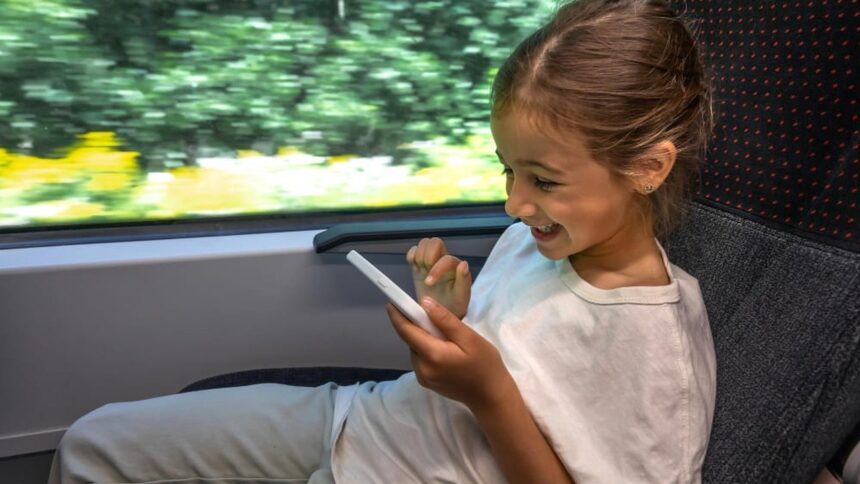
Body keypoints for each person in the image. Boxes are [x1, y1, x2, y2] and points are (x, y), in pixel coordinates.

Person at [48, 0, 716, 482]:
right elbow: (521, 346)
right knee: (93, 445)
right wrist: (452, 312)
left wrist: (489, 393)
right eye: (507, 170)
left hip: (419, 467)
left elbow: (521, 401)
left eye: (542, 178)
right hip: (369, 423)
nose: (514, 202)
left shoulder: (652, 349)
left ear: (647, 168)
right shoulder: (545, 239)